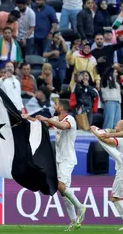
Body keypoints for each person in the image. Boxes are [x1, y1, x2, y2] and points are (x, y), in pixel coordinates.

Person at [34, 99, 86, 231]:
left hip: (67, 159)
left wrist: (46, 119)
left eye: (56, 105)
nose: (55, 106)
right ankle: (74, 220)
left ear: (62, 107)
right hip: (58, 159)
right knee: (64, 192)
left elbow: (63, 126)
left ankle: (80, 206)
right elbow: (41, 121)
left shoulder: (70, 119)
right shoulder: (56, 118)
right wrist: (26, 118)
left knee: (60, 185)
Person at [90, 121, 123, 230]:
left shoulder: (121, 139)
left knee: (115, 198)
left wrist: (95, 132)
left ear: (121, 128)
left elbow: (105, 140)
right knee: (116, 197)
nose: (115, 127)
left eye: (117, 125)